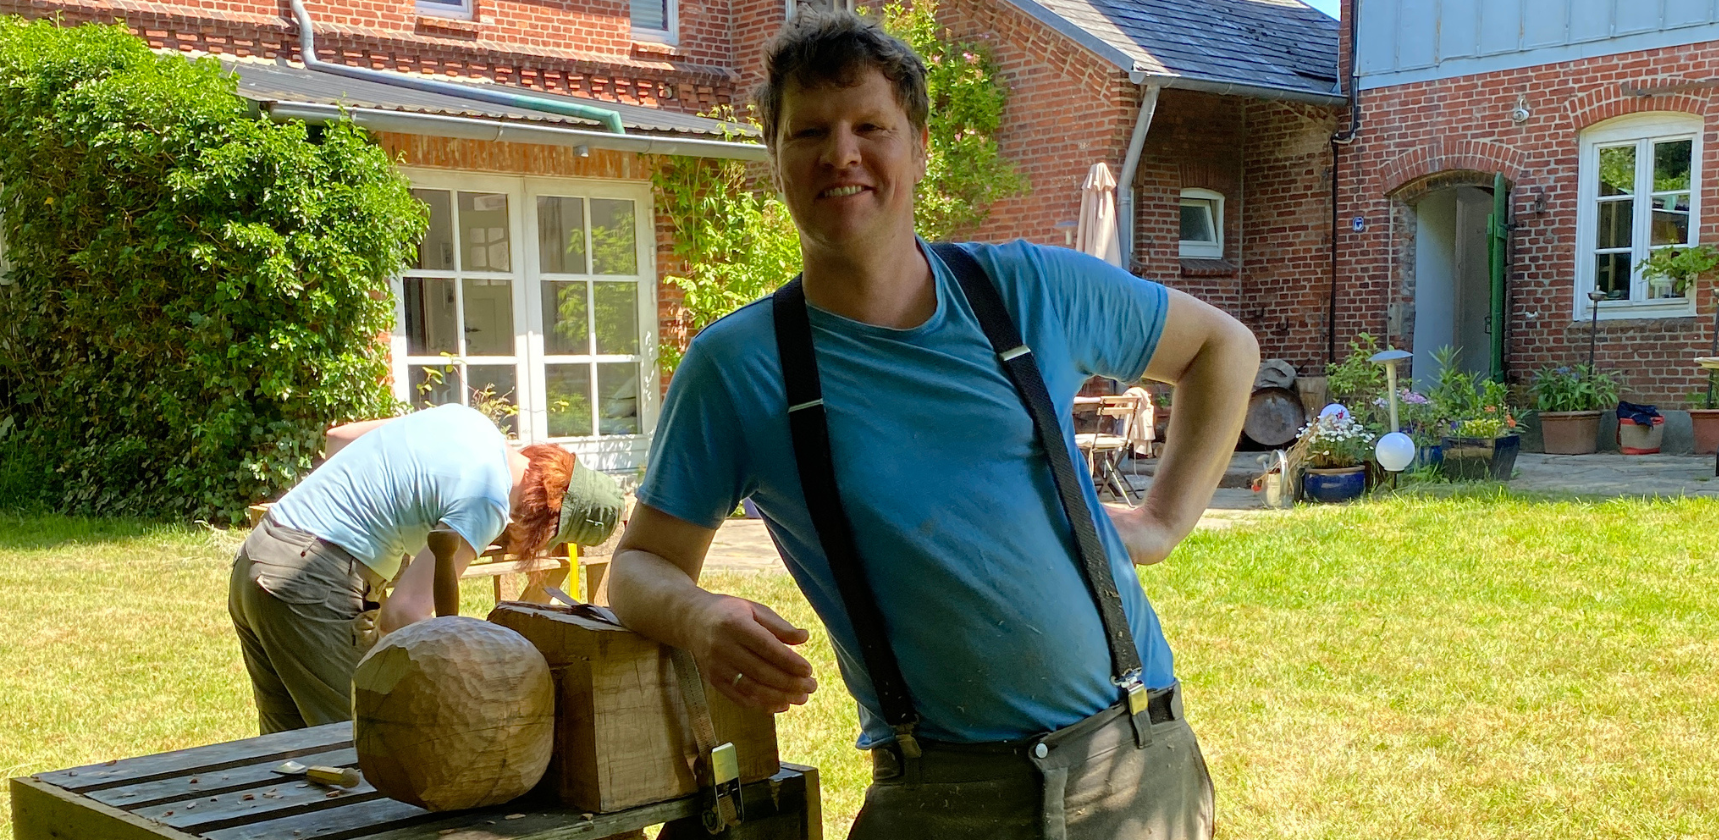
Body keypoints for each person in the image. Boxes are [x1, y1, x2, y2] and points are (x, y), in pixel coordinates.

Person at [608, 11, 1257, 839]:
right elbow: (637, 570)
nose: (840, 153)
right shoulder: (740, 367)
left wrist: (1162, 522)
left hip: (1131, 769)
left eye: (869, 126)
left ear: (917, 147)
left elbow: (1223, 349)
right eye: (808, 131)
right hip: (939, 799)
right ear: (775, 161)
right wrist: (698, 617)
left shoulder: (1030, 290)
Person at [229, 402, 624, 734]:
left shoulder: (466, 420)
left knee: (289, 759)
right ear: (546, 518)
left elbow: (339, 440)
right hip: (310, 586)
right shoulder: (488, 500)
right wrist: (460, 682)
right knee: (366, 746)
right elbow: (403, 615)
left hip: (260, 555)